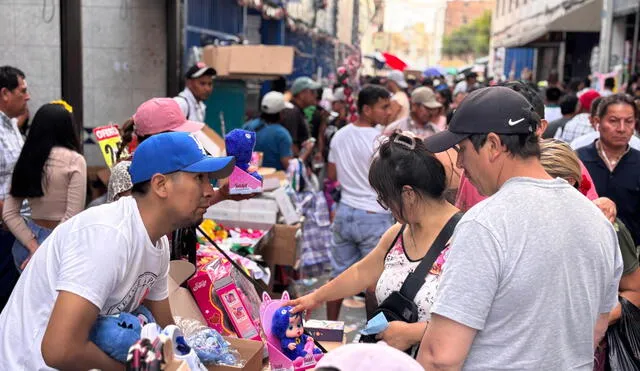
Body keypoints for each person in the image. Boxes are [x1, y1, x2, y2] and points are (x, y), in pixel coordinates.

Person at [417, 86, 622, 370]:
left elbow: (441, 357)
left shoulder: (485, 223)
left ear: (492, 145)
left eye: (462, 150)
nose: (461, 164)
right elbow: (598, 326)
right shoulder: (597, 220)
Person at [0, 131, 236, 370]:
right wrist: (133, 368)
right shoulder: (107, 235)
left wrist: (187, 360)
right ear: (161, 185)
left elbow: (166, 327)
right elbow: (59, 350)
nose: (209, 190)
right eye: (199, 178)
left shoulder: (157, 242)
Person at [289, 131, 459, 354]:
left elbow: (475, 323)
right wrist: (313, 298)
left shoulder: (464, 238)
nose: (385, 206)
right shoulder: (398, 234)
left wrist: (413, 333)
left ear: (408, 194)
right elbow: (361, 272)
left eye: (385, 197)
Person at [323, 85, 394, 321]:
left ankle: (329, 331)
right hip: (373, 216)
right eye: (383, 107)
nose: (388, 112)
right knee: (374, 283)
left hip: (345, 212)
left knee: (338, 277)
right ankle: (372, 338)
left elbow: (332, 175)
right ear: (366, 109)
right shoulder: (380, 141)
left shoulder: (340, 135)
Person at [2, 102, 86, 272]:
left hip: (25, 244)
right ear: (68, 129)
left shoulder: (26, 160)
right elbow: (72, 215)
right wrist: (46, 250)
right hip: (63, 245)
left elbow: (9, 213)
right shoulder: (75, 160)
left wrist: (33, 246)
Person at [577, 94, 640, 246]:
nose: (621, 129)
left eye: (629, 121)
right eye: (613, 121)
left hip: (631, 255)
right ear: (597, 122)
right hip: (586, 248)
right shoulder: (577, 160)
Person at [0, 65, 30, 310]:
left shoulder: (10, 126)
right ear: (4, 94)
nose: (27, 96)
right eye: (23, 90)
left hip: (14, 225)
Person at [243, 91, 305, 171]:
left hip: (249, 179)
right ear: (281, 113)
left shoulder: (247, 126)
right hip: (274, 181)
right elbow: (290, 168)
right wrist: (303, 155)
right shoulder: (282, 134)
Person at [281, 77, 321, 154]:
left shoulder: (298, 111)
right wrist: (298, 162)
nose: (316, 95)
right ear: (301, 94)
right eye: (312, 92)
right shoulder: (292, 112)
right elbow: (291, 144)